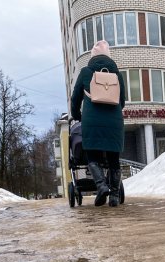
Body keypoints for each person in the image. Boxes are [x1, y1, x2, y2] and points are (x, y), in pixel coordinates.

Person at [71, 40, 126, 207]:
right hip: (114, 122)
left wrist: (77, 115)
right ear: (109, 56)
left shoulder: (85, 72)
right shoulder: (117, 74)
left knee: (93, 156)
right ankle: (115, 196)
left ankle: (101, 186)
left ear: (92, 56)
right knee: (113, 158)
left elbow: (75, 99)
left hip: (92, 122)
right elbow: (122, 101)